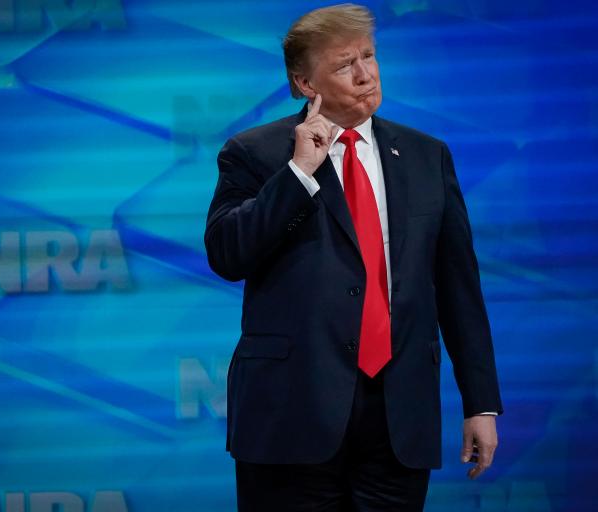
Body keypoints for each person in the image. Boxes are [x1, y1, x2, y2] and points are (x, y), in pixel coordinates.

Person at [204, 3, 503, 511]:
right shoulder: (255, 152)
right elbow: (227, 255)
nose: (365, 74)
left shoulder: (427, 156)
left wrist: (481, 404)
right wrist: (298, 173)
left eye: (369, 56)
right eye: (345, 65)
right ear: (304, 84)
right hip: (291, 414)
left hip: (398, 416)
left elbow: (458, 288)